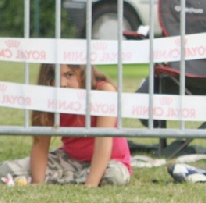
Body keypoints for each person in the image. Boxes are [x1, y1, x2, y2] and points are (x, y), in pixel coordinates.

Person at [0, 63, 132, 186]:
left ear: (84, 72)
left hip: (110, 161)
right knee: (5, 170)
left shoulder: (104, 91)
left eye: (69, 75)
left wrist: (91, 184)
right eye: (54, 77)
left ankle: (66, 177)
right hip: (70, 159)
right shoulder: (49, 95)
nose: (62, 84)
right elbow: (40, 145)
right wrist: (37, 182)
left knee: (114, 176)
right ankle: (70, 177)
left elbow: (103, 142)